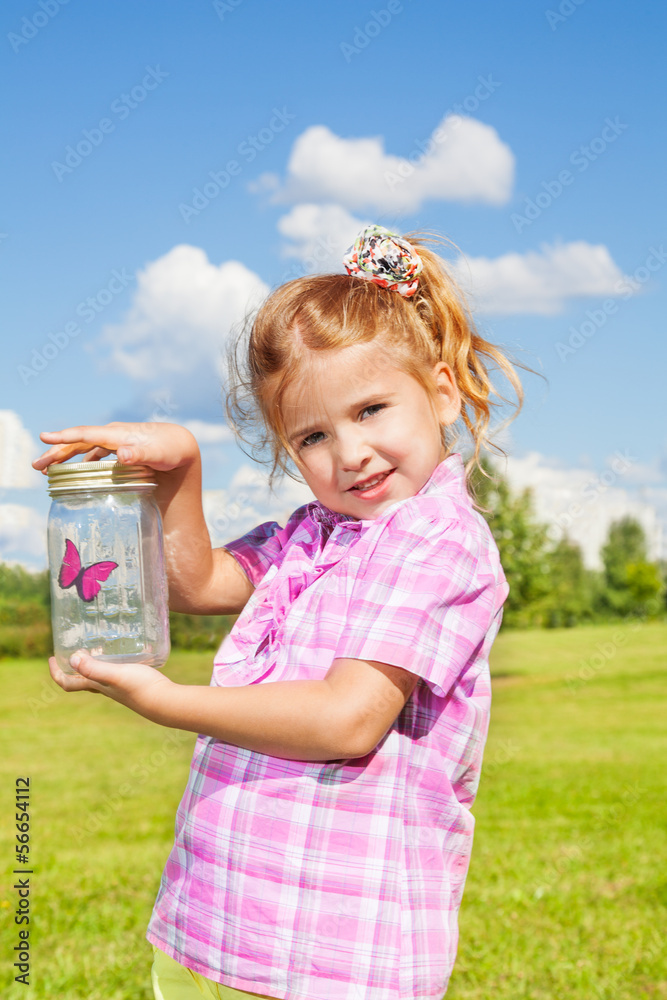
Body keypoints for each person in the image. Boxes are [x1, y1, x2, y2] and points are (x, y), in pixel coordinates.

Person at [34, 225, 524, 1000]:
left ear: (438, 392)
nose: (350, 452)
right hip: (219, 927)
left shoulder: (438, 542)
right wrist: (179, 469)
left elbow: (345, 719)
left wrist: (166, 701)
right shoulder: (316, 531)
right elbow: (200, 583)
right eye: (314, 435)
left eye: (371, 409)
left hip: (333, 960)